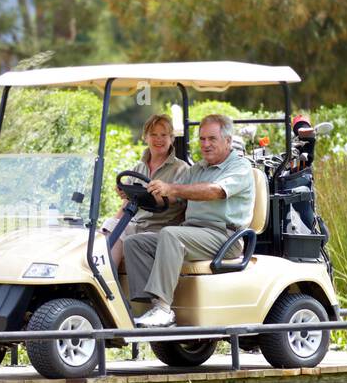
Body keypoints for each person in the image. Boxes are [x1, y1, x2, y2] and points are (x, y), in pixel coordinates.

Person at [123, 113, 255, 328]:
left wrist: (172, 187)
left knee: (171, 234)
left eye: (212, 139)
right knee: (135, 243)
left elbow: (215, 191)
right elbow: (172, 196)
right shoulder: (197, 169)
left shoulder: (239, 167)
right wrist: (135, 194)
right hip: (194, 232)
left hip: (225, 236)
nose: (206, 144)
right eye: (202, 139)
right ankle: (150, 307)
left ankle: (164, 309)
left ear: (228, 141)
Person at [104, 113, 189, 267]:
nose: (158, 139)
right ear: (145, 137)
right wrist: (126, 197)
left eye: (164, 135)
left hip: (161, 228)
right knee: (108, 227)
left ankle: (109, 283)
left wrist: (150, 196)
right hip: (137, 225)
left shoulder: (181, 169)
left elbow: (177, 200)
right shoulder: (138, 167)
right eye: (153, 134)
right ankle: (106, 283)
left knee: (122, 235)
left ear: (172, 138)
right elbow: (125, 206)